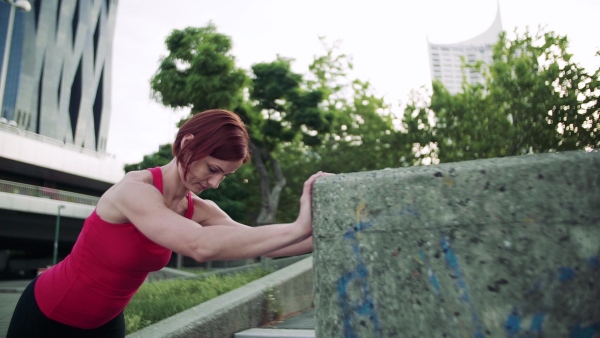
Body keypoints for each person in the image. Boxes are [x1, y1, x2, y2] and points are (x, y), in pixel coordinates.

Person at [7, 109, 331, 337]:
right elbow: (200, 246)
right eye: (213, 168)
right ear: (188, 143)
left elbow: (261, 242)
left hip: (105, 324)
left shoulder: (198, 208)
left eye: (226, 176)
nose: (216, 183)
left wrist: (330, 233)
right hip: (49, 314)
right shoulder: (134, 192)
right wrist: (299, 225)